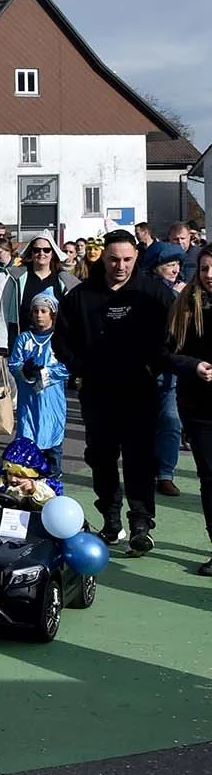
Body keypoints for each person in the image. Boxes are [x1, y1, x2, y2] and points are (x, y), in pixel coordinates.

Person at [53, 230, 171, 553]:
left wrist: (155, 366)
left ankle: (141, 522)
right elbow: (61, 340)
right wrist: (81, 367)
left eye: (127, 260)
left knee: (139, 458)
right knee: (101, 457)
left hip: (139, 390)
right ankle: (111, 519)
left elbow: (174, 332)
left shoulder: (153, 292)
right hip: (98, 392)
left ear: (136, 258)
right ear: (103, 257)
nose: (120, 266)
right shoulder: (81, 296)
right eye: (114, 259)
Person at [166, 246, 212, 574]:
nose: (209, 275)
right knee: (210, 480)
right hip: (200, 409)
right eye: (205, 268)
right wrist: (193, 366)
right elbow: (168, 353)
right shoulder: (185, 306)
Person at [9, 291, 68, 473]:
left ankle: (53, 476)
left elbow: (66, 366)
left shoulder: (60, 339)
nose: (39, 315)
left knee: (52, 442)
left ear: (52, 314)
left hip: (51, 401)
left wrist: (43, 373)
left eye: (44, 311)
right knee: (28, 439)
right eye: (36, 311)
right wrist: (23, 371)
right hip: (29, 401)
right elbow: (14, 363)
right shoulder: (24, 338)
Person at [150, 244, 188, 496]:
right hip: (147, 368)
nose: (174, 269)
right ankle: (147, 471)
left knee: (172, 421)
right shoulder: (146, 291)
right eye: (168, 265)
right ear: (156, 268)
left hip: (173, 369)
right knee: (147, 422)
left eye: (177, 265)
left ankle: (165, 474)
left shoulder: (184, 293)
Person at [0, 235, 72, 339]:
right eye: (36, 250)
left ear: (52, 254)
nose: (41, 253)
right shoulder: (16, 278)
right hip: (23, 344)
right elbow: (3, 312)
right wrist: (1, 346)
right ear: (31, 253)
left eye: (46, 250)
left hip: (55, 345)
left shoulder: (63, 282)